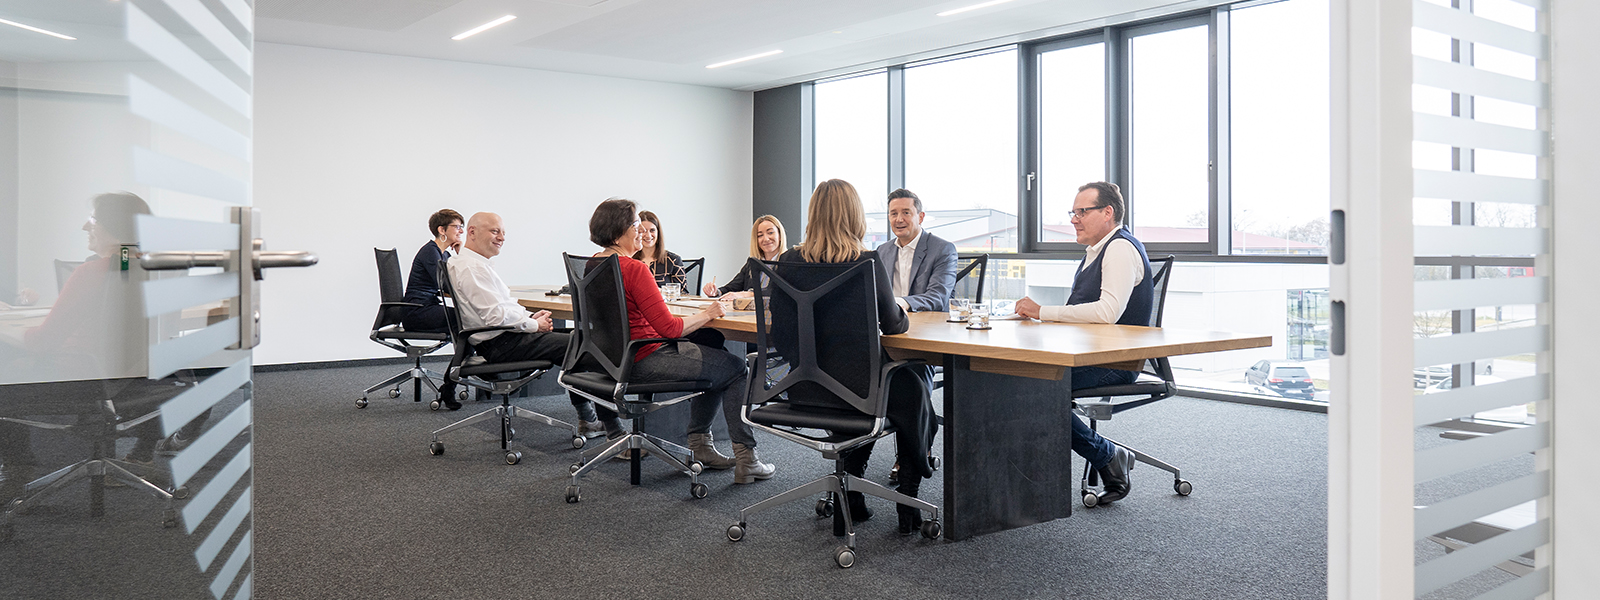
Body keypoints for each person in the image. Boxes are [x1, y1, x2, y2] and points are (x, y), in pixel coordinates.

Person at [775, 179, 937, 535]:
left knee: (897, 390)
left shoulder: (787, 260)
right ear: (854, 216)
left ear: (813, 215)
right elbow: (894, 325)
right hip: (860, 392)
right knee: (914, 388)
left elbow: (781, 335)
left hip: (803, 389)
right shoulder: (865, 261)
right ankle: (908, 497)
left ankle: (851, 494)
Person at [585, 198, 774, 483]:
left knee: (713, 352)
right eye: (636, 224)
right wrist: (709, 313)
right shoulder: (635, 269)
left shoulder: (592, 266)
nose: (641, 230)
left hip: (611, 359)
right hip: (643, 359)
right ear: (618, 231)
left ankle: (702, 448)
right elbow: (671, 328)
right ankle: (745, 459)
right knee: (735, 368)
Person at [1013, 181, 1147, 504]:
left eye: (1081, 212)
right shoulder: (1096, 252)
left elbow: (1106, 312)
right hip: (1087, 356)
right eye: (1073, 212)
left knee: (1032, 388)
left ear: (1107, 213)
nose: (1074, 219)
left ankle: (1106, 456)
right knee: (1014, 379)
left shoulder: (1119, 248)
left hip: (1113, 363)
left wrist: (1043, 311)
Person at [442, 212, 605, 438]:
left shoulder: (468, 263)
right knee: (582, 344)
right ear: (472, 232)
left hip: (499, 339)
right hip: (502, 343)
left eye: (503, 233)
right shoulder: (472, 267)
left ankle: (590, 418)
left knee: (577, 338)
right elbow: (495, 316)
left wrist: (530, 317)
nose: (501, 238)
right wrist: (533, 325)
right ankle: (598, 420)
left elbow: (502, 306)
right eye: (495, 231)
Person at [876, 189, 958, 314]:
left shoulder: (943, 250)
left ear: (920, 217)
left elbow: (938, 297)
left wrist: (902, 302)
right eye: (893, 214)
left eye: (906, 213)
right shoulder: (882, 251)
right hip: (890, 324)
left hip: (929, 327)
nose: (899, 219)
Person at [399, 209, 463, 334]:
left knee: (467, 318)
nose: (461, 231)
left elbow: (458, 279)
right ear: (442, 230)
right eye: (457, 227)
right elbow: (446, 284)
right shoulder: (430, 251)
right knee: (465, 318)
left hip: (428, 308)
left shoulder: (445, 255)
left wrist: (460, 254)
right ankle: (467, 354)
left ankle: (468, 354)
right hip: (417, 312)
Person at [702, 215, 787, 298]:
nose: (766, 239)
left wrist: (749, 294)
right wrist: (716, 292)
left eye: (770, 233)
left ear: (780, 235)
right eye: (760, 235)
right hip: (750, 312)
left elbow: (781, 292)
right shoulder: (753, 263)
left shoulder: (788, 261)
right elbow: (733, 287)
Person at [632, 211, 687, 289]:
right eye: (644, 231)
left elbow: (683, 293)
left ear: (658, 232)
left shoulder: (673, 260)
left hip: (665, 301)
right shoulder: (631, 261)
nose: (648, 235)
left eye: (652, 230)